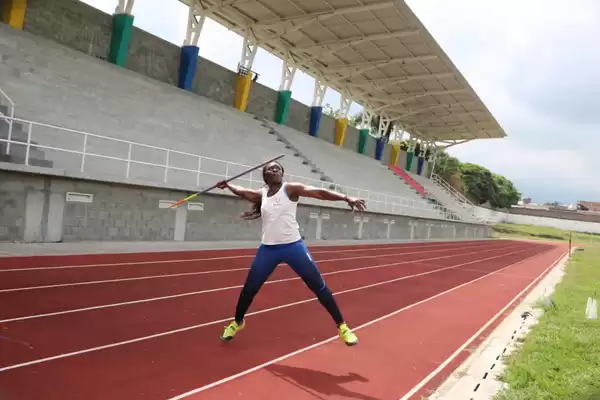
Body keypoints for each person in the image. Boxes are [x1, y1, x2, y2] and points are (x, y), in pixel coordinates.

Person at [216, 160, 366, 346]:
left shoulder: (290, 189)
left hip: (293, 247)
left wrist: (345, 198)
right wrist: (228, 186)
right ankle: (237, 322)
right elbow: (245, 192)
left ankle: (342, 327)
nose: (275, 169)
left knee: (318, 286)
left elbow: (318, 192)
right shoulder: (262, 194)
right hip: (268, 250)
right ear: (266, 176)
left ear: (282, 173)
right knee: (249, 290)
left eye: (278, 167)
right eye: (270, 168)